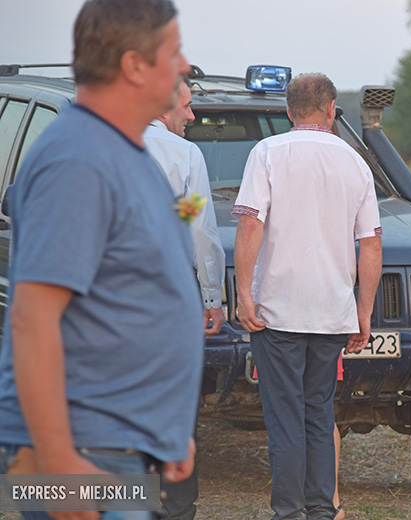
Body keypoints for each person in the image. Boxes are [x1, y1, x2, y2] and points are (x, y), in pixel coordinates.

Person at [0, 1, 201, 520]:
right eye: (174, 51)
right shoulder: (78, 161)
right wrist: (58, 462)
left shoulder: (125, 153)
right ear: (134, 65)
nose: (183, 65)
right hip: (83, 456)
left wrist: (166, 428)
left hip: (120, 450)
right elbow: (32, 317)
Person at [232, 72, 382, 520]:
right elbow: (371, 243)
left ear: (288, 111)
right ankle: (321, 508)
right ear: (332, 109)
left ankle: (288, 511)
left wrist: (243, 293)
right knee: (319, 413)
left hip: (277, 310)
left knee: (285, 418)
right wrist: (364, 312)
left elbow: (250, 224)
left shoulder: (268, 153)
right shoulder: (356, 162)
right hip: (332, 312)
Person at [143, 79, 226, 520]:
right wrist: (213, 297)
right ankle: (177, 508)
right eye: (188, 106)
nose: (192, 116)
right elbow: (196, 229)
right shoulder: (184, 156)